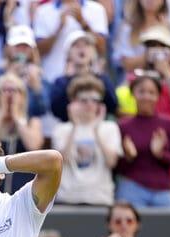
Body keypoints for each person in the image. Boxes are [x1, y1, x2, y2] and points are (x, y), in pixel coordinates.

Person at [116, 72, 170, 207]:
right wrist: (128, 157)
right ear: (133, 94)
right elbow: (115, 166)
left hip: (163, 190)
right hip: (132, 187)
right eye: (141, 91)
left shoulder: (168, 124)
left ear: (158, 96)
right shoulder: (123, 125)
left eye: (151, 92)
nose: (146, 96)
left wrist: (161, 154)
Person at [52, 75, 122, 206]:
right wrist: (74, 126)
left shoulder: (110, 128)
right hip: (67, 198)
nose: (90, 104)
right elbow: (62, 161)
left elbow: (111, 162)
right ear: (73, 102)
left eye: (95, 100)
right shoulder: (62, 129)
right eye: (83, 100)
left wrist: (96, 130)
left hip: (100, 198)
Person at [0, 73, 44, 193]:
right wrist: (1, 115)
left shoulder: (32, 121)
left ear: (23, 96)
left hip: (23, 191)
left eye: (14, 90)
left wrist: (17, 117)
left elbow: (33, 145)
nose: (10, 95)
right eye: (5, 90)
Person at [0, 25, 50, 121]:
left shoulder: (37, 74)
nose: (21, 50)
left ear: (32, 50)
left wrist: (36, 87)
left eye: (25, 46)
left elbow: (42, 110)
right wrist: (9, 76)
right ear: (8, 48)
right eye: (17, 46)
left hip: (24, 126)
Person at [33, 0, 108, 83]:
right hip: (52, 78)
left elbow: (101, 48)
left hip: (89, 82)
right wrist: (59, 28)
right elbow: (38, 52)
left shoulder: (96, 9)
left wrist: (82, 22)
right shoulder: (42, 11)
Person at [50, 30, 117, 122]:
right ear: (68, 53)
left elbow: (112, 105)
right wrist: (69, 80)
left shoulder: (102, 78)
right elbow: (57, 110)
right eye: (76, 46)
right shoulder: (61, 81)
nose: (82, 49)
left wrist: (98, 80)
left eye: (87, 45)